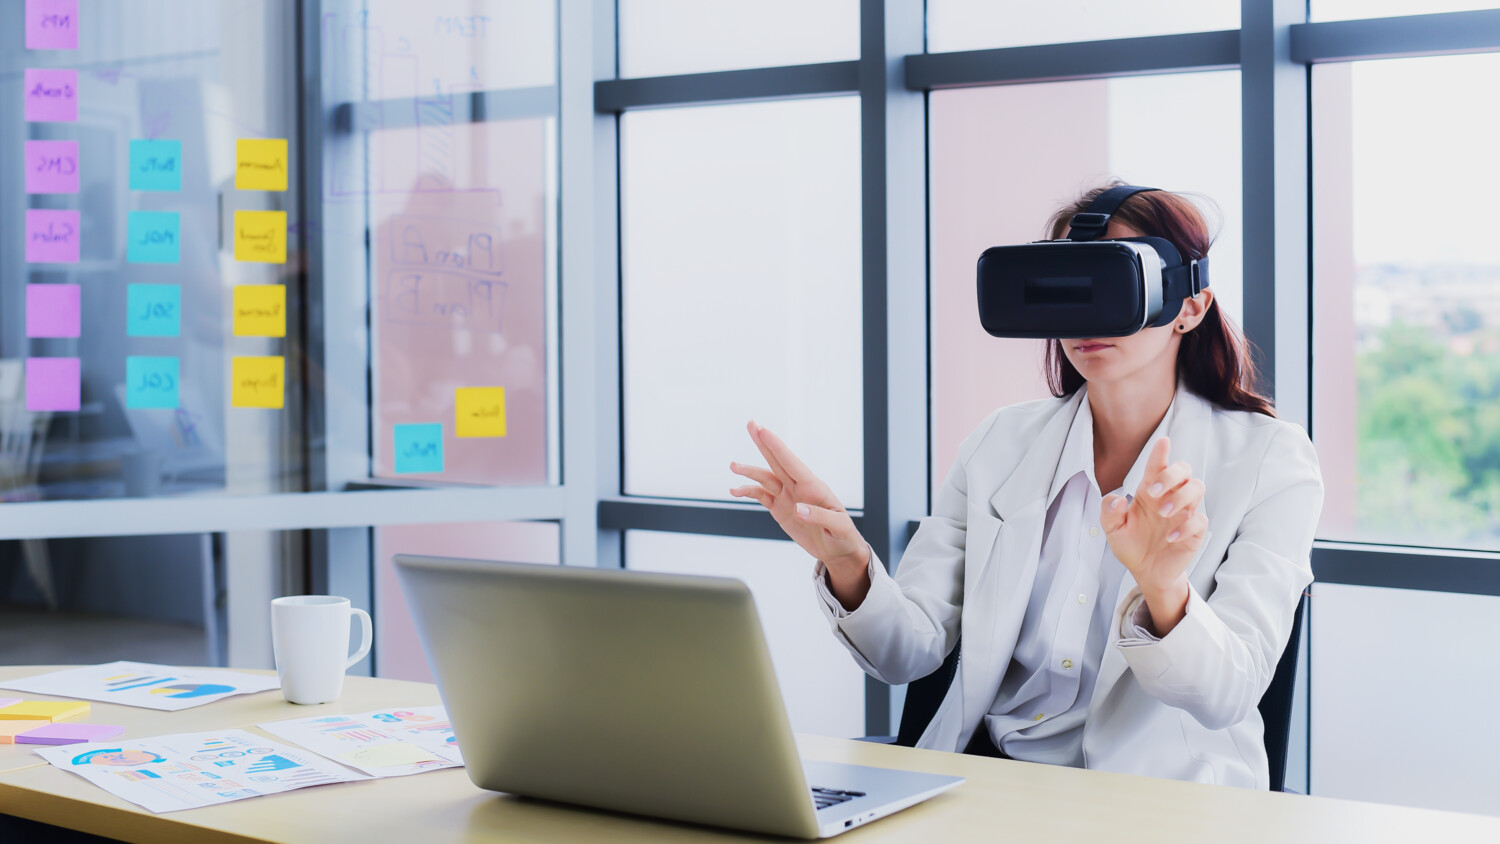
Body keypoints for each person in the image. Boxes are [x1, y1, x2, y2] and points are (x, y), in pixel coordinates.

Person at [729, 183, 1324, 789]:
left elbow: (1229, 694)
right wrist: (848, 561)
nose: (1084, 317)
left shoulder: (1272, 462)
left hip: (1153, 800)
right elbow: (907, 653)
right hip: (988, 784)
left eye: (1110, 285)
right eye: (1065, 289)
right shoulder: (999, 444)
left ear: (1190, 307)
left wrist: (1164, 589)